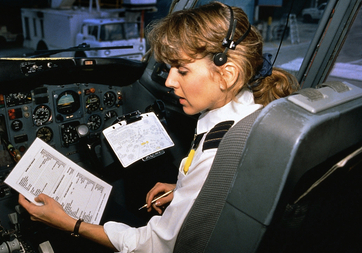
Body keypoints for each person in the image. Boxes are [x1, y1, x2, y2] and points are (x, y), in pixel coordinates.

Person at [18, 2, 299, 252]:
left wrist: (70, 224)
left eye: (182, 70)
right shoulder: (254, 114)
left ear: (226, 74)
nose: (169, 82)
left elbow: (154, 246)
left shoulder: (219, 150)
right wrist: (185, 189)